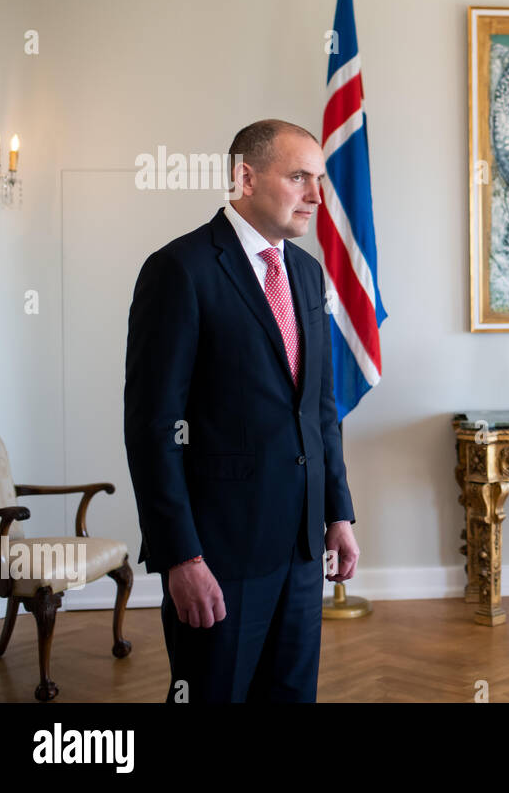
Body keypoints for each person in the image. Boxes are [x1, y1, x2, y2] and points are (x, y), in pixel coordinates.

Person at [124, 119, 360, 702]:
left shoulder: (306, 272)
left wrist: (339, 513)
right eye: (300, 177)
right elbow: (152, 430)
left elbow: (320, 411)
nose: (316, 195)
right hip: (218, 556)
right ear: (244, 177)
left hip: (304, 552)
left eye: (320, 179)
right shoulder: (179, 270)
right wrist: (181, 556)